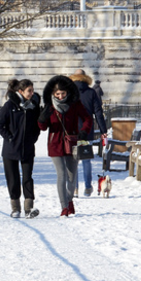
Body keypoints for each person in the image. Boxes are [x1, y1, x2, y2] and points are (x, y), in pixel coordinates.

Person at [38, 75, 94, 217]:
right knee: (61, 175)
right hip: (55, 144)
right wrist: (42, 118)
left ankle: (69, 201)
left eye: (63, 93)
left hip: (72, 143)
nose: (61, 96)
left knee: (71, 176)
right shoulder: (49, 106)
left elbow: (88, 118)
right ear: (53, 94)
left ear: (68, 92)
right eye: (58, 94)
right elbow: (43, 127)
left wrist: (83, 132)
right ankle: (64, 206)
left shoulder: (75, 104)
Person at [0, 78, 41, 218]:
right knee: (13, 179)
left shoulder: (34, 106)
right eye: (29, 91)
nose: (32, 93)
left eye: (32, 90)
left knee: (27, 178)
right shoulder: (10, 105)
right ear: (21, 91)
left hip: (27, 148)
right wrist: (10, 138)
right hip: (10, 150)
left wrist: (33, 138)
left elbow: (37, 127)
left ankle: (29, 208)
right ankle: (15, 208)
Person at [71, 69, 108, 197]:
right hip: (86, 131)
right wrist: (103, 130)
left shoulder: (69, 93)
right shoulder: (91, 93)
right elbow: (98, 112)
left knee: (73, 161)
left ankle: (74, 188)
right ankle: (87, 187)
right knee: (86, 160)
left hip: (72, 131)